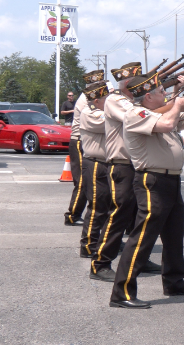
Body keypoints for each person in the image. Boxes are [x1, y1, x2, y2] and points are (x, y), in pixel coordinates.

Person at [110, 73, 184, 309]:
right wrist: (178, 105)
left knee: (174, 235)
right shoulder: (137, 113)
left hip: (171, 180)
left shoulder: (161, 112)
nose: (166, 93)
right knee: (142, 238)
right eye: (161, 91)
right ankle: (121, 292)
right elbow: (167, 124)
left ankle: (174, 282)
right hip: (152, 180)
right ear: (148, 96)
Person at [90, 62, 163, 281]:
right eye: (139, 81)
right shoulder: (115, 100)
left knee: (138, 217)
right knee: (119, 215)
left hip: (137, 164)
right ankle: (100, 263)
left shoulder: (132, 101)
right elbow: (138, 116)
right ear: (128, 84)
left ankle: (140, 259)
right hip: (122, 164)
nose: (144, 85)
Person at [78, 81, 113, 259]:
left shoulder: (102, 110)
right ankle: (88, 245)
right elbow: (110, 121)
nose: (110, 100)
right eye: (107, 97)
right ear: (97, 100)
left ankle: (102, 240)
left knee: (108, 207)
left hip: (106, 163)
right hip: (95, 163)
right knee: (97, 207)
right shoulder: (89, 112)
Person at [63, 69, 103, 226]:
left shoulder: (89, 97)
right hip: (79, 140)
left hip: (83, 140)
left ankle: (75, 214)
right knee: (82, 181)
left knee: (86, 181)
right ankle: (72, 215)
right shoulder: (88, 98)